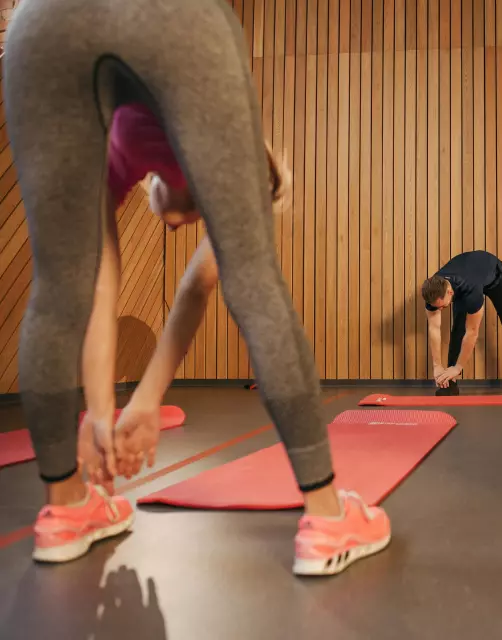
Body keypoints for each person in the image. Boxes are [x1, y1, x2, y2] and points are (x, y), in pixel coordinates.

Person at [3, 0, 389, 575]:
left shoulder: (137, 157)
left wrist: (123, 408)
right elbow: (221, 290)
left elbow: (106, 285)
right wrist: (111, 409)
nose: (175, 222)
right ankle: (329, 518)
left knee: (57, 284)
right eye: (185, 215)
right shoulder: (222, 158)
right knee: (256, 282)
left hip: (43, 22)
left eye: (189, 218)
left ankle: (64, 510)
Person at [421, 250, 502, 396]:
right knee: (457, 328)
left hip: (495, 277)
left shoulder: (470, 289)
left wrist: (458, 367)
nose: (440, 309)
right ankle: (451, 382)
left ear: (449, 292)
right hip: (468, 276)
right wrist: (437, 366)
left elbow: (472, 332)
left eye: (442, 306)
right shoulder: (433, 290)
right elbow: (434, 329)